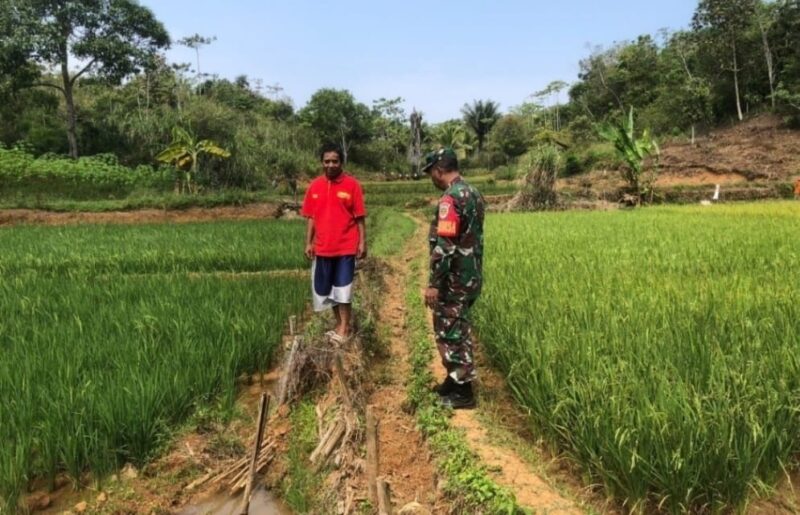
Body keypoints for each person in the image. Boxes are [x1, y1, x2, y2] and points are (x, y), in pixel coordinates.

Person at [423, 147, 484, 409]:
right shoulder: (473, 193)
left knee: (451, 331)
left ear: (439, 170)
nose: (432, 180)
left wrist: (434, 283)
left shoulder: (450, 199)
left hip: (454, 279)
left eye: (431, 174)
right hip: (471, 276)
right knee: (455, 326)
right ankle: (453, 379)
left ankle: (463, 391)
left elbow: (445, 245)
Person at [301, 143, 367, 343]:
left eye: (334, 161)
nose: (330, 165)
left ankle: (345, 330)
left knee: (343, 291)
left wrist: (363, 242)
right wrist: (308, 243)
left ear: (341, 163)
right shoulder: (314, 187)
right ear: (322, 162)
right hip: (322, 248)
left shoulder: (352, 185)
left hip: (346, 246)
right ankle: (339, 324)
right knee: (328, 291)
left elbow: (359, 217)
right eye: (327, 161)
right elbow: (311, 217)